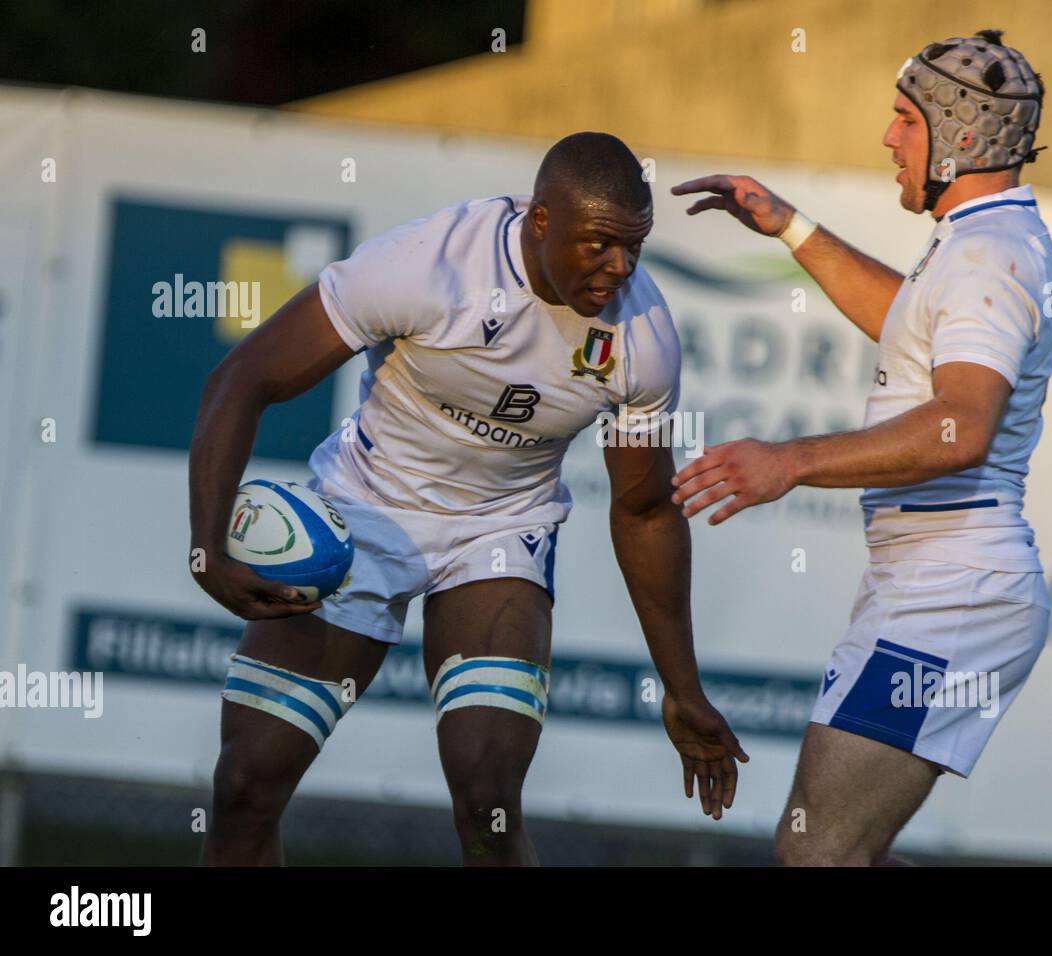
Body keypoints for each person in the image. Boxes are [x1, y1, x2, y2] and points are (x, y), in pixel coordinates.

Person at [189, 131, 747, 866]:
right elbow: (245, 377)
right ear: (540, 220)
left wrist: (683, 687)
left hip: (500, 532)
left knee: (487, 800)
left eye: (635, 247)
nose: (621, 268)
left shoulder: (642, 337)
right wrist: (207, 549)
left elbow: (643, 510)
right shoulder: (428, 265)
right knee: (244, 785)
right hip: (365, 508)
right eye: (600, 245)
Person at [670, 30, 1052, 866]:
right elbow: (908, 323)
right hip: (932, 589)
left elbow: (961, 426)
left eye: (905, 120)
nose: (889, 138)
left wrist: (789, 461)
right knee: (840, 851)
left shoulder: (989, 255)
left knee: (817, 854)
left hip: (949, 600)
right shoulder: (984, 240)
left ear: (959, 136)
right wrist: (790, 227)